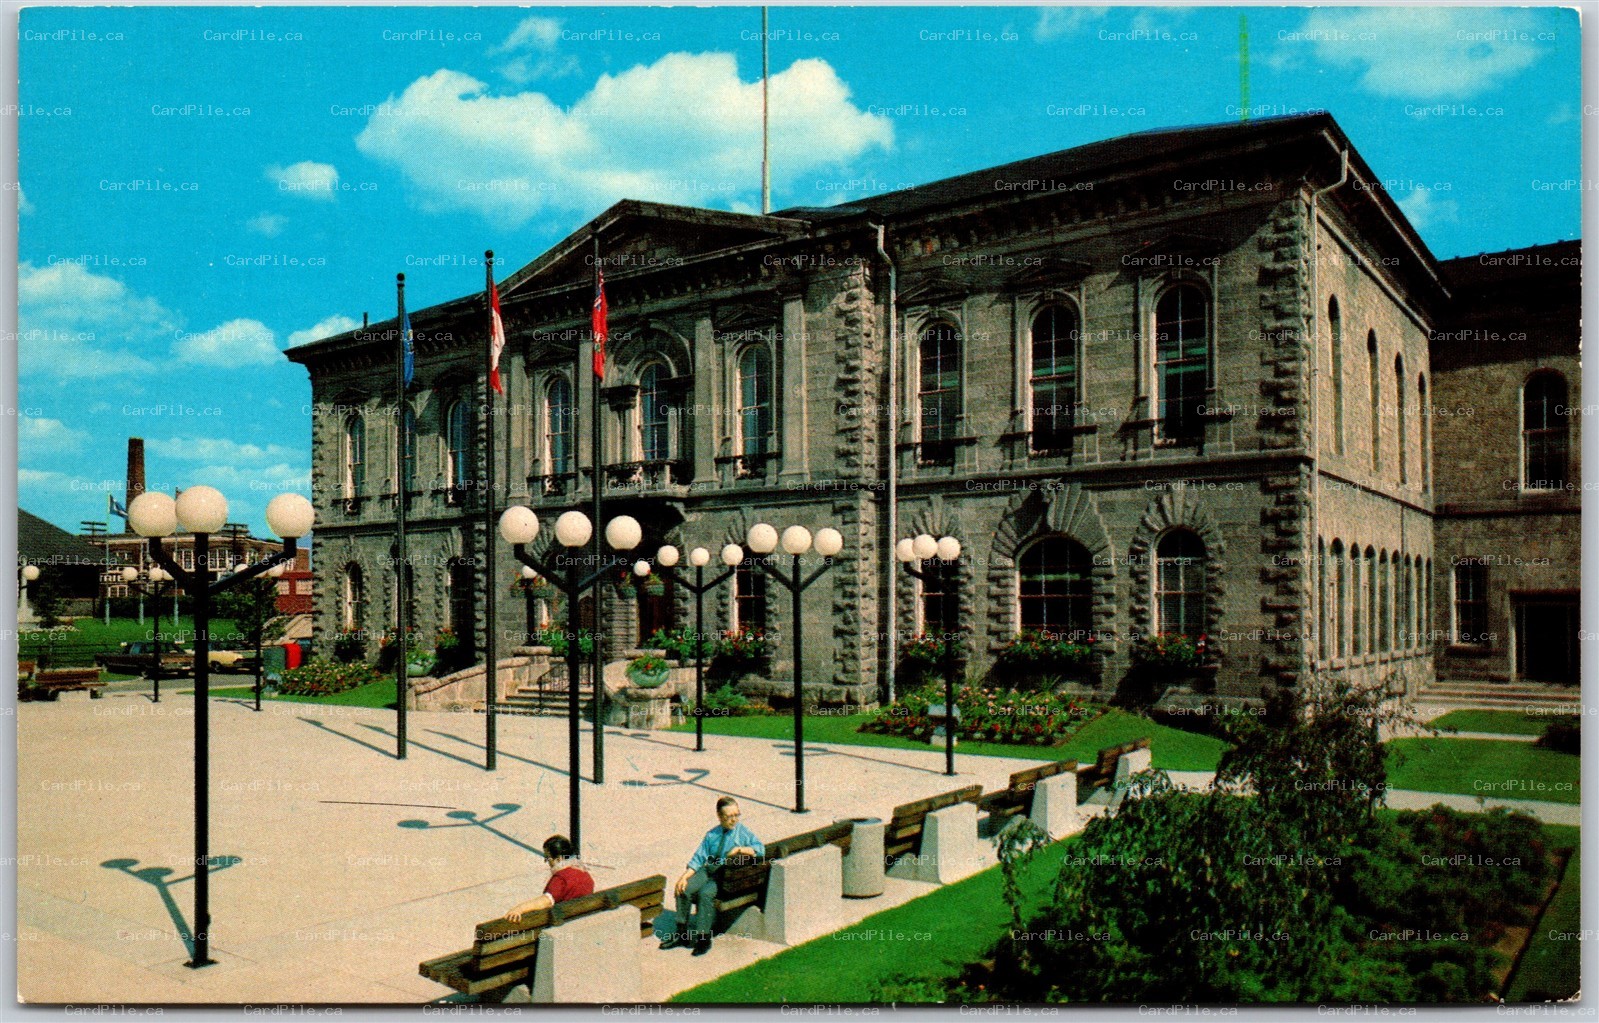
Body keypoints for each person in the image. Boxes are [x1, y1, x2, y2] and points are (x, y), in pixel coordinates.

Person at [660, 796, 763, 956]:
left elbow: (760, 849)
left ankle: (703, 938)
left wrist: (741, 850)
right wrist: (684, 876)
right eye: (729, 816)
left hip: (724, 876)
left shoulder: (743, 833)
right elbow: (699, 857)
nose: (734, 819)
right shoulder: (712, 834)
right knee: (684, 888)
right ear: (720, 816)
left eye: (736, 815)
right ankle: (682, 934)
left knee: (705, 894)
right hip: (708, 870)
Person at [504, 835, 594, 922]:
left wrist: (519, 909)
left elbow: (546, 901)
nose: (547, 862)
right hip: (582, 917)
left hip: (564, 921)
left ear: (559, 859)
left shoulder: (561, 879)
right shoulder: (584, 872)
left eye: (547, 858)